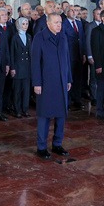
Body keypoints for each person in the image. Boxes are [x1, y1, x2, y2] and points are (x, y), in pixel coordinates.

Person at [31, 13, 72, 160]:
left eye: (60, 22)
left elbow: (67, 59)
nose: (59, 25)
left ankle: (57, 144)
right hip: (46, 83)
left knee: (61, 115)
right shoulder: (39, 38)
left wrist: (68, 78)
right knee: (45, 116)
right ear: (48, 23)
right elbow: (35, 62)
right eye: (56, 23)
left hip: (61, 82)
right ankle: (41, 147)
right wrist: (37, 83)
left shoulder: (63, 37)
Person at [62, 5, 86, 109]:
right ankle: (67, 100)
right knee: (69, 79)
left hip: (79, 55)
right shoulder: (63, 24)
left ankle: (77, 99)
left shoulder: (79, 23)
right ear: (66, 13)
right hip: (69, 55)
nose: (73, 12)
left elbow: (82, 39)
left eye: (75, 11)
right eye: (71, 10)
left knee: (78, 78)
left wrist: (84, 53)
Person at [9, 17, 32, 117]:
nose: (25, 26)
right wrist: (12, 68)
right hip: (18, 67)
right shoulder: (15, 37)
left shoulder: (29, 36)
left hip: (27, 67)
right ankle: (17, 110)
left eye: (27, 24)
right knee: (17, 90)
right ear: (19, 25)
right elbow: (12, 53)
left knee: (26, 90)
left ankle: (25, 109)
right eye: (23, 24)